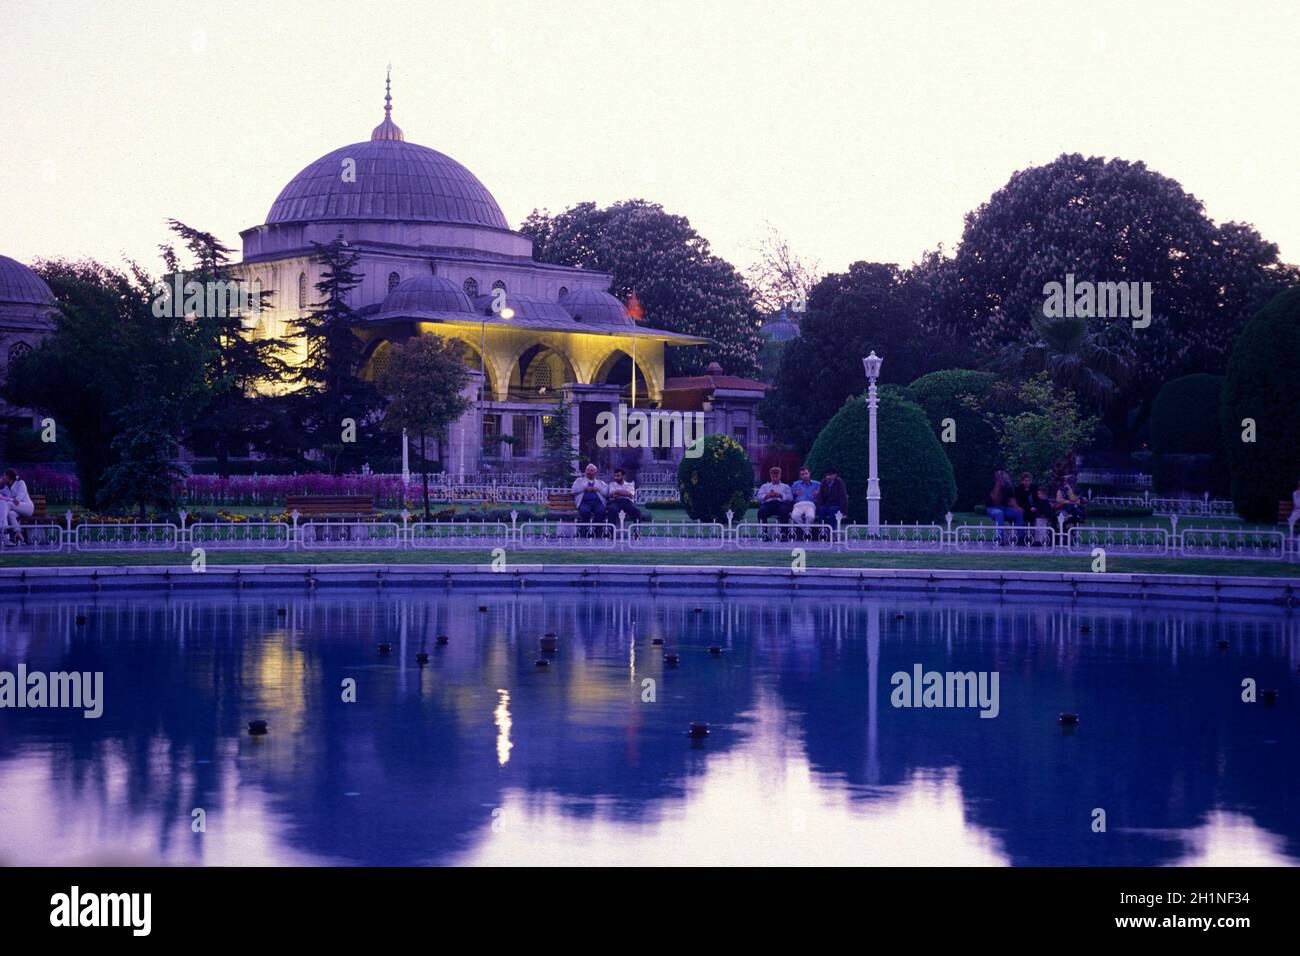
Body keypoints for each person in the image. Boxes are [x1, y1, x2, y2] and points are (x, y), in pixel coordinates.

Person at [987, 469, 1023, 541]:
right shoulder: (991, 483)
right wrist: (998, 482)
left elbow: (1012, 499)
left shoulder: (1008, 486)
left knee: (1018, 513)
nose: (1004, 475)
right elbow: (995, 500)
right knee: (999, 513)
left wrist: (1017, 507)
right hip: (992, 508)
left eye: (1004, 474)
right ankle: (999, 538)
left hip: (1005, 508)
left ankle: (1019, 538)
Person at [1, 469, 34, 542]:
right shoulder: (6, 488)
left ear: (9, 477)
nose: (3, 478)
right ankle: (18, 534)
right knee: (10, 514)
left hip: (28, 508)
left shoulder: (21, 483)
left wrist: (6, 498)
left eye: (4, 476)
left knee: (8, 504)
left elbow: (17, 501)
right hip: (17, 510)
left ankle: (4, 528)